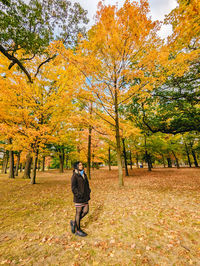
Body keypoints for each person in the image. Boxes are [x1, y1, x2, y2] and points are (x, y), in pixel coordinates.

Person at [70, 161, 91, 237]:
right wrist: (78, 195)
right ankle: (78, 230)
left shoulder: (84, 174)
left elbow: (87, 184)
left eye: (82, 164)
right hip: (79, 198)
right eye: (79, 165)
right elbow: (73, 188)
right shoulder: (74, 176)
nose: (81, 166)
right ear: (76, 166)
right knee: (78, 213)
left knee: (86, 211)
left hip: (85, 197)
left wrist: (88, 191)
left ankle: (74, 222)